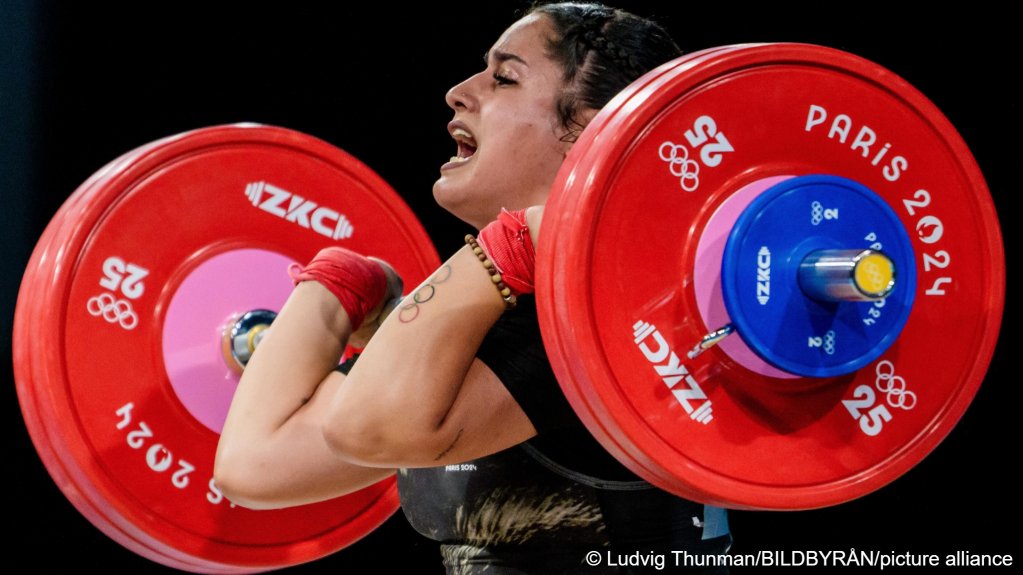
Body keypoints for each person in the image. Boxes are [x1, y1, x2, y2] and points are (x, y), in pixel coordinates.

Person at [215, 2, 732, 572]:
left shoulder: (611, 319)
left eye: (504, 77)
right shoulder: (509, 306)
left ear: (590, 129)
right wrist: (332, 288)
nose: (459, 92)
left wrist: (507, 246)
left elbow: (367, 429)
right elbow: (253, 465)